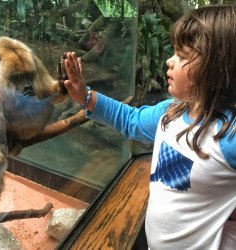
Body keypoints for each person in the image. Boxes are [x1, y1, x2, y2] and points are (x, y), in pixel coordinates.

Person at [63, 5, 236, 250]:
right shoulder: (171, 111)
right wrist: (85, 96)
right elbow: (130, 120)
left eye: (183, 56)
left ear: (218, 68)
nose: (169, 61)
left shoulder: (229, 135)